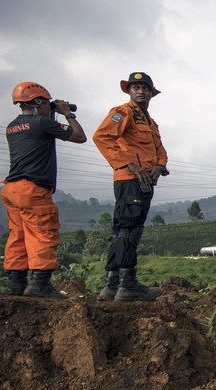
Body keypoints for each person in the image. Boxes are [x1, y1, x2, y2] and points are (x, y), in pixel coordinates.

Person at [1, 81, 87, 298]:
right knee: (42, 234)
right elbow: (79, 136)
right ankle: (39, 284)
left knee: (18, 236)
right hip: (33, 190)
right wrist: (67, 114)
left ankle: (15, 284)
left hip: (11, 188)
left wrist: (50, 112)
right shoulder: (41, 123)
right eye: (47, 103)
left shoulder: (12, 126)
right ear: (38, 102)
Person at [93, 72, 168, 300]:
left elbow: (160, 150)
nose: (140, 91)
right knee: (129, 230)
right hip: (129, 179)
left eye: (145, 88)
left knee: (124, 230)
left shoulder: (150, 122)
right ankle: (127, 284)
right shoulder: (122, 113)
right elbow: (102, 137)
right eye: (136, 87)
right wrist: (130, 164)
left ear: (151, 93)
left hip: (145, 180)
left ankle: (112, 285)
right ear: (129, 91)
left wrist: (159, 165)